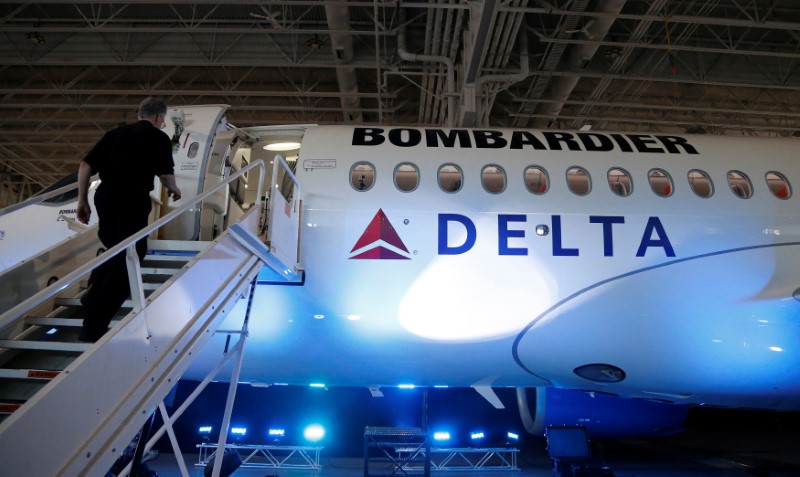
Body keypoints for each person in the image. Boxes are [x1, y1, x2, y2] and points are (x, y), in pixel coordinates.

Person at [76, 97, 181, 342]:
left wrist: (82, 200)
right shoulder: (158, 137)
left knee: (115, 250)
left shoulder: (115, 133)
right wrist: (174, 189)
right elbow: (165, 174)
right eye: (163, 120)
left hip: (105, 197)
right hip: (132, 199)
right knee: (132, 257)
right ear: (158, 118)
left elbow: (84, 165)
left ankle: (92, 294)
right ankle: (94, 324)